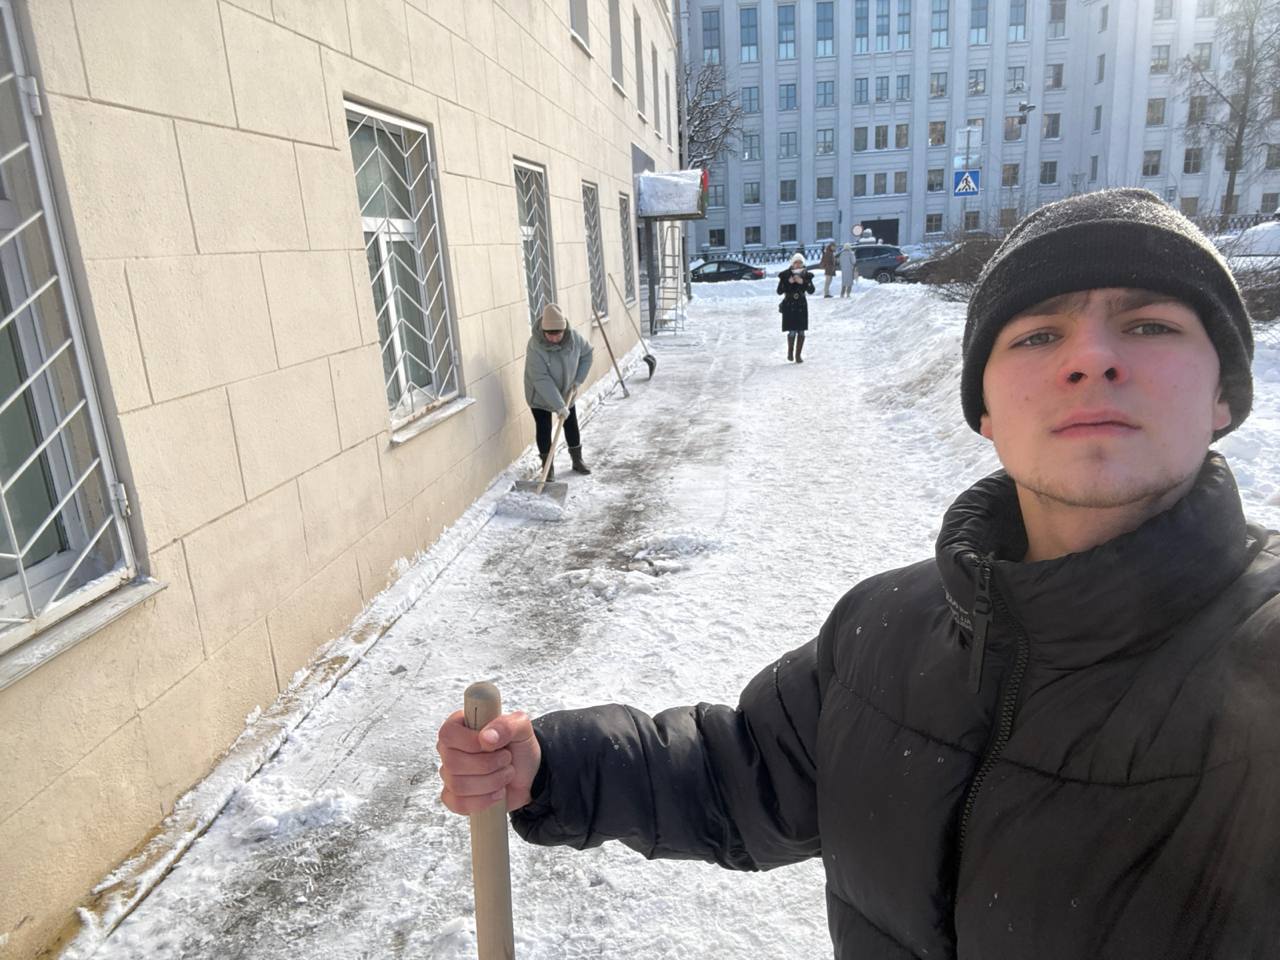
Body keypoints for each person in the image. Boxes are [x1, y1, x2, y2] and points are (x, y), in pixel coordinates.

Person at [438, 189, 1280, 959]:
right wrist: (550, 765)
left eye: (1149, 326)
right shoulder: (887, 630)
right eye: (1037, 335)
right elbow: (742, 774)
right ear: (984, 409)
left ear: (1226, 393)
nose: (1090, 358)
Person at [522, 302, 593, 481]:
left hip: (566, 390)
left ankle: (577, 460)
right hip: (540, 394)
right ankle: (548, 468)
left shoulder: (574, 338)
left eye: (558, 334)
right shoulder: (535, 346)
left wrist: (578, 380)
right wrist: (559, 405)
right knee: (544, 428)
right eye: (550, 335)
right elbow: (541, 379)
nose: (554, 338)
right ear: (543, 331)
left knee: (571, 424)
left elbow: (587, 354)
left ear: (564, 329)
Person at [777, 252, 815, 362]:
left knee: (801, 331)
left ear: (803, 264)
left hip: (801, 306)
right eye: (795, 262)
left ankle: (798, 355)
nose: (798, 265)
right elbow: (779, 291)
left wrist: (803, 282)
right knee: (792, 331)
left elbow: (811, 290)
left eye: (800, 262)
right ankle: (790, 352)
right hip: (789, 305)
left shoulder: (806, 275)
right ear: (792, 264)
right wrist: (788, 282)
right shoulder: (785, 275)